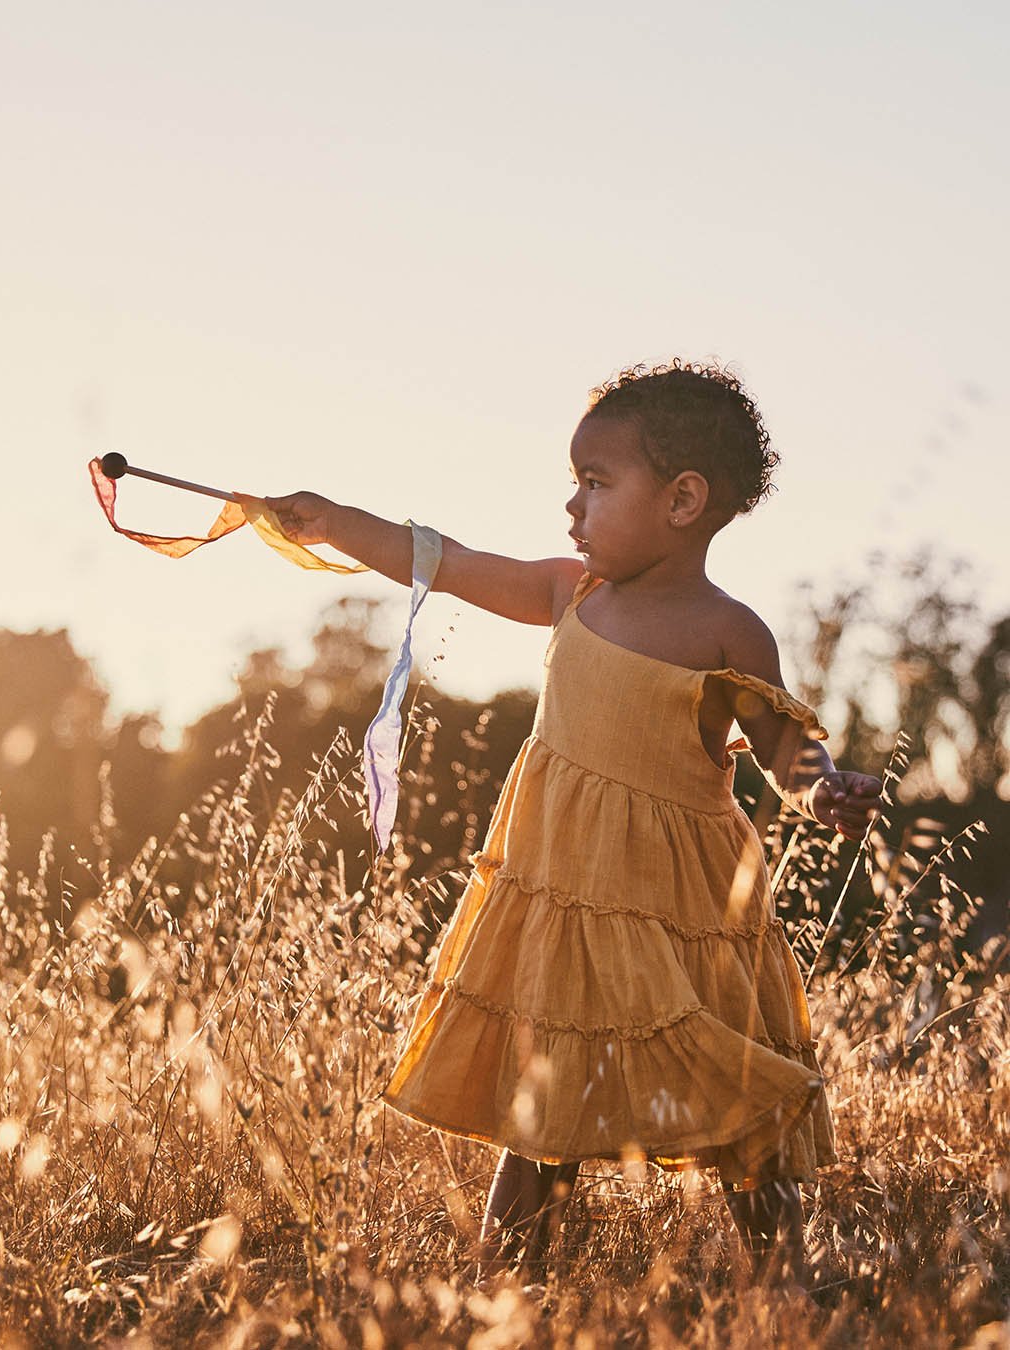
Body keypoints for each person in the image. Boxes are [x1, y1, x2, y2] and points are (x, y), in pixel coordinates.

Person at [268, 360, 881, 1288]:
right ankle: (505, 1287)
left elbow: (784, 747)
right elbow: (449, 562)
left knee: (732, 1092)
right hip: (566, 894)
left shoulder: (730, 633)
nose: (571, 507)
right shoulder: (572, 593)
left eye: (595, 484)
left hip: (681, 910)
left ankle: (784, 1284)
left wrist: (823, 790)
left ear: (682, 500)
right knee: (544, 1099)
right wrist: (335, 522)